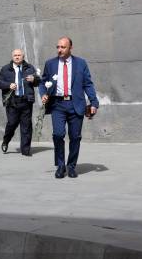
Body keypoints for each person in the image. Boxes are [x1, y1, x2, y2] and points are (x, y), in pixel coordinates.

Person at [39, 37, 98, 179]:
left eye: (63, 47)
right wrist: (43, 94)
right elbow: (43, 82)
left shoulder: (81, 64)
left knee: (75, 137)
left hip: (75, 104)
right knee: (58, 135)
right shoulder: (50, 64)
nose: (59, 50)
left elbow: (88, 84)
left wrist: (94, 102)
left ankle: (71, 166)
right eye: (58, 47)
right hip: (57, 105)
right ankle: (60, 165)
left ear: (70, 48)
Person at [0, 49, 39, 156]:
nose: (17, 57)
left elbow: (38, 81)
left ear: (23, 56)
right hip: (12, 101)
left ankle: (25, 150)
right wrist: (8, 85)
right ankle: (6, 140)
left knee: (26, 126)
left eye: (19, 55)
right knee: (12, 123)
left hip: (26, 100)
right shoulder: (6, 69)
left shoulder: (30, 68)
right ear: (12, 57)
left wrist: (34, 79)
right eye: (15, 55)